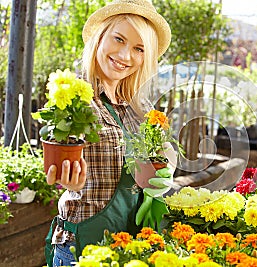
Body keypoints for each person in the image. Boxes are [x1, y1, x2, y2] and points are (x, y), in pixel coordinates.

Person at [44, 1, 175, 266]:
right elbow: (56, 150)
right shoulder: (75, 98)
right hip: (82, 248)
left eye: (139, 49)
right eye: (119, 39)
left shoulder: (139, 107)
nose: (125, 56)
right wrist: (70, 181)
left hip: (131, 246)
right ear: (100, 36)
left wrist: (166, 171)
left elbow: (163, 152)